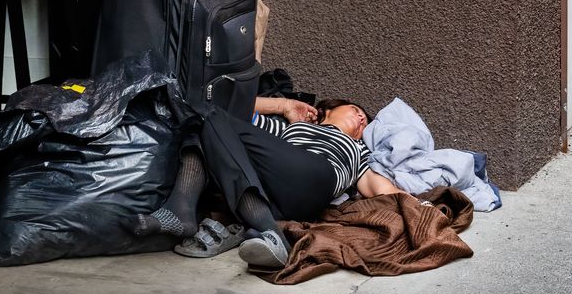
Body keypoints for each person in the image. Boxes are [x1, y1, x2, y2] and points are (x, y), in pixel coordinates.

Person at [134, 92, 409, 270]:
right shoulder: (290, 128)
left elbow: (379, 188)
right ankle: (267, 230)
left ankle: (181, 208)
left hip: (316, 178)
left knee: (208, 115)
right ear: (328, 110)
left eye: (365, 121)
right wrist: (284, 105)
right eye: (355, 109)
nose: (362, 118)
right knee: (205, 120)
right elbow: (233, 106)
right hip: (271, 197)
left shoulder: (358, 149)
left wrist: (417, 204)